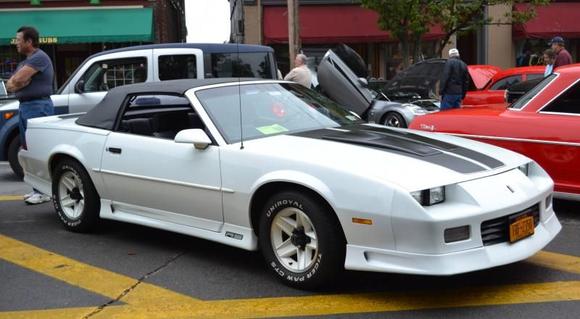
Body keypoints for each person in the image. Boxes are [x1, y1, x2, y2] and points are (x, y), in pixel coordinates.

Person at [6, 26, 55, 205]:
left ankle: (43, 191)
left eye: (19, 39)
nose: (16, 42)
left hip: (37, 106)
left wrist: (20, 81)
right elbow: (11, 84)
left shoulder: (39, 57)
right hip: (26, 106)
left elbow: (17, 81)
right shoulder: (25, 62)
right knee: (28, 149)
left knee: (38, 148)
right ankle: (37, 189)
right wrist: (19, 82)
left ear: (29, 41)